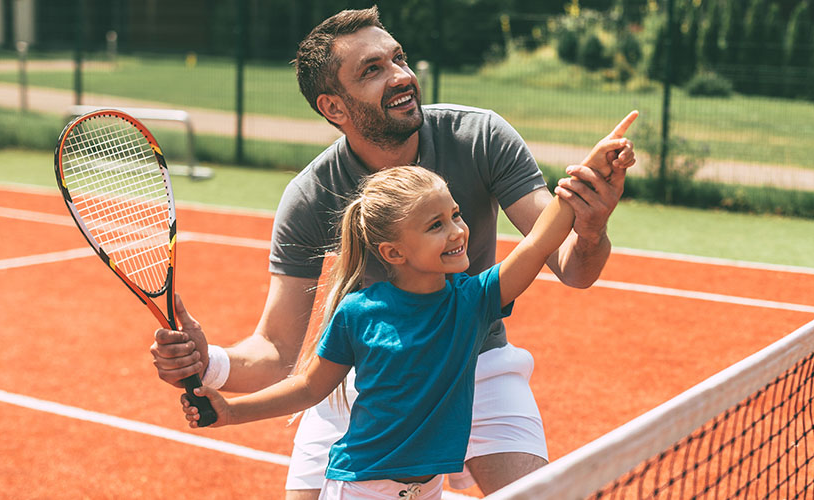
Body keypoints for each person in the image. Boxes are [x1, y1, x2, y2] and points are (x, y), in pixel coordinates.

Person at [151, 6, 637, 498]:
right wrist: (206, 363)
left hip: (477, 361)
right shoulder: (311, 196)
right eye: (373, 70)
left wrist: (590, 224)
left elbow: (569, 265)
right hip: (371, 379)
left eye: (398, 58)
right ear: (334, 108)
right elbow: (278, 352)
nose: (402, 76)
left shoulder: (480, 137)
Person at [184, 165, 583, 499]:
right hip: (361, 488)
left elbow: (535, 245)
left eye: (456, 215)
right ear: (394, 252)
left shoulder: (474, 299)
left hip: (425, 489)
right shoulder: (358, 312)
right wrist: (233, 412)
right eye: (436, 225)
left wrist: (578, 186)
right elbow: (309, 387)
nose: (458, 231)